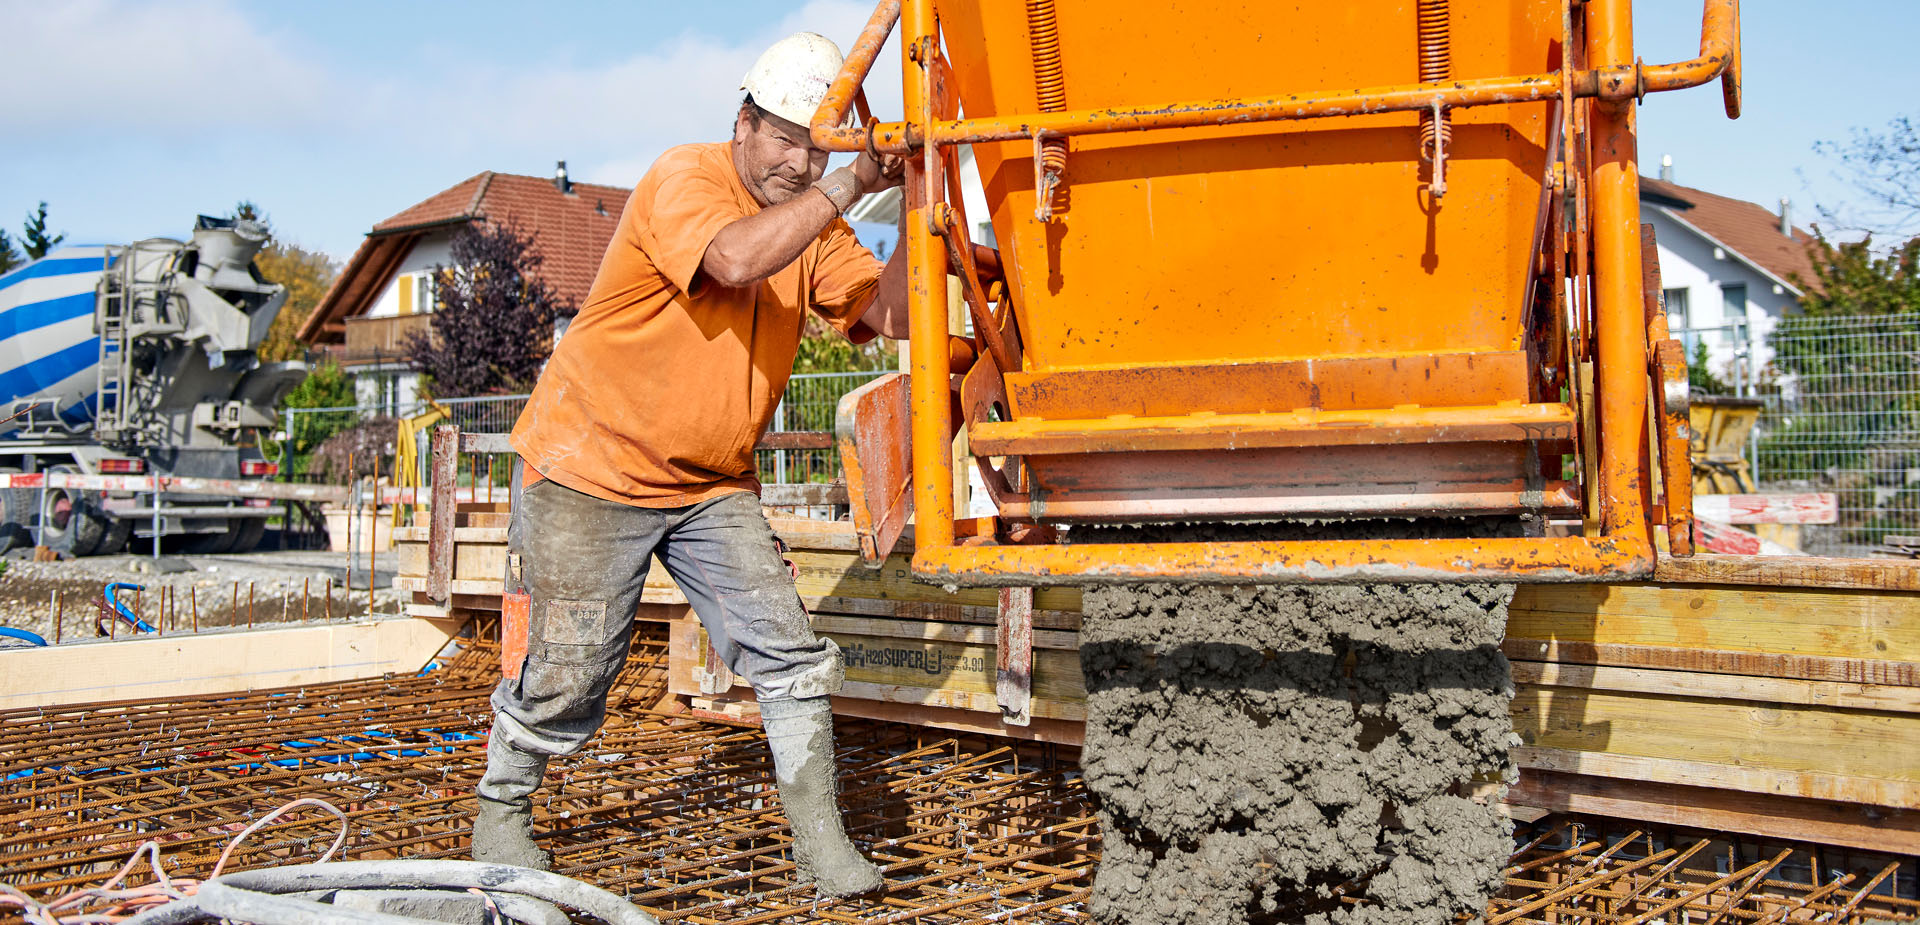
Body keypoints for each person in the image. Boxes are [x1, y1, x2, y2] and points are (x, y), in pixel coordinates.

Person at [471, 32, 997, 897]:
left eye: (814, 145)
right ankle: (502, 807)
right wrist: (845, 181)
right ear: (744, 122)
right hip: (588, 468)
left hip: (710, 484)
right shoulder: (687, 177)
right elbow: (733, 258)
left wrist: (915, 199)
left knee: (790, 654)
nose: (798, 161)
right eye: (784, 138)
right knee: (570, 669)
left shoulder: (816, 229)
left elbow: (893, 311)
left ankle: (820, 845)